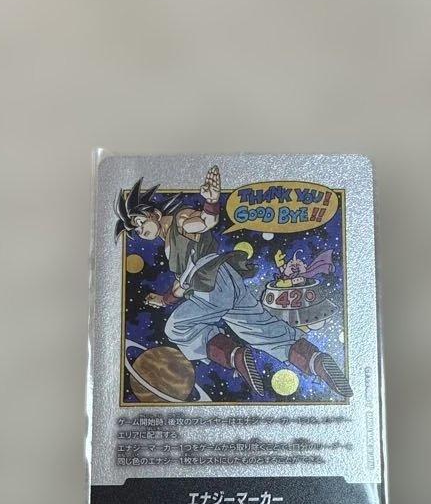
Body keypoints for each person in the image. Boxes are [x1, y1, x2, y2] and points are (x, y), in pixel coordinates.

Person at [115, 165, 352, 398]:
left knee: (177, 327)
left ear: (154, 214)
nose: (140, 231)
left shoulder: (179, 221)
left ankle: (235, 356)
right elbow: (182, 285)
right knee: (262, 330)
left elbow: (205, 222)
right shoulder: (170, 242)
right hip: (227, 279)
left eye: (140, 222)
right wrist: (164, 300)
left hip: (211, 286)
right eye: (135, 230)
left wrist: (211, 202)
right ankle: (316, 361)